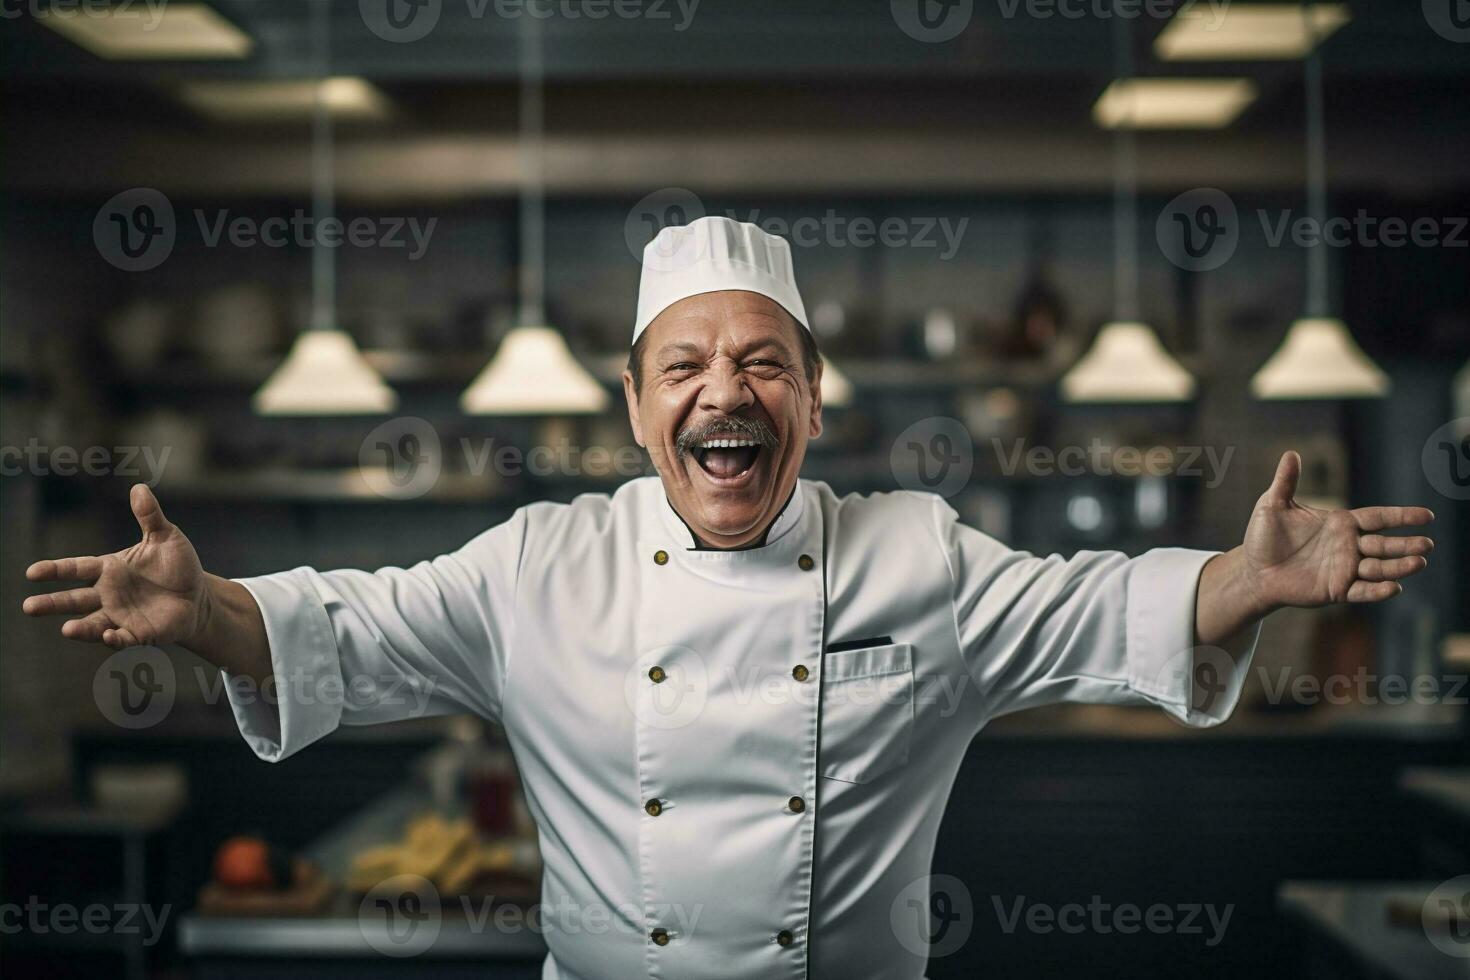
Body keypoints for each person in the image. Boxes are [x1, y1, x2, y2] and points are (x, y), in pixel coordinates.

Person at [23, 217, 1435, 979]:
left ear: (813, 402)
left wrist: (1245, 583)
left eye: (764, 362)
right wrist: (206, 607)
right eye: (684, 363)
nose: (727, 391)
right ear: (635, 406)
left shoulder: (917, 557)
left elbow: (1101, 605)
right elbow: (346, 623)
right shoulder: (538, 564)